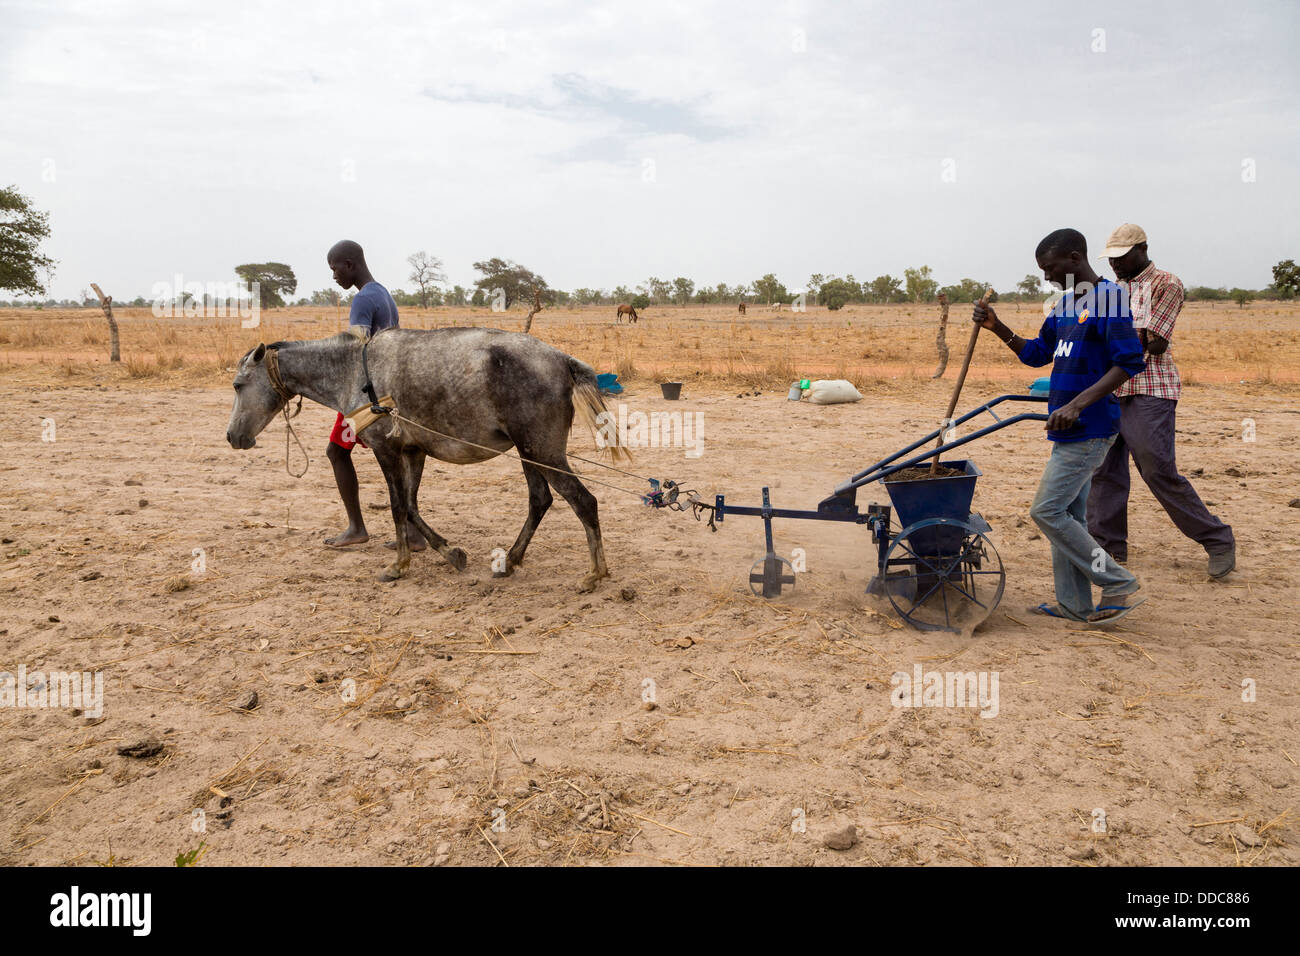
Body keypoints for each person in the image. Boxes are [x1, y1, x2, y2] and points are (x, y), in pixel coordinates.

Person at [972, 228, 1147, 624]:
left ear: (1073, 257)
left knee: (1047, 512)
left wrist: (1078, 404)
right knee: (1068, 515)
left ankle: (1117, 582)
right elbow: (1036, 354)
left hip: (1091, 427)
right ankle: (1074, 604)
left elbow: (1129, 362)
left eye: (1050, 268)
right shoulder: (1066, 305)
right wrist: (997, 327)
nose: (1047, 276)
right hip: (1066, 429)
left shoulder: (1110, 299)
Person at [1087, 224, 1236, 578]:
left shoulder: (1166, 284)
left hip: (1149, 388)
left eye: (1122, 258)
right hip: (1111, 389)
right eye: (1111, 259)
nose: (1116, 265)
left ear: (1143, 249)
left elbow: (1154, 342)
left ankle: (1216, 539)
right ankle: (1108, 547)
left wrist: (1112, 343)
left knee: (1157, 469)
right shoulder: (1112, 290)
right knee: (1104, 471)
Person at [321, 240, 421, 550]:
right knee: (405, 457)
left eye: (335, 269)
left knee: (337, 452)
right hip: (390, 390)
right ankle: (414, 533)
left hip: (367, 396)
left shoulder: (363, 300)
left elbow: (356, 350)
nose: (334, 276)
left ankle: (356, 527)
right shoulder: (383, 293)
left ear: (349, 265)